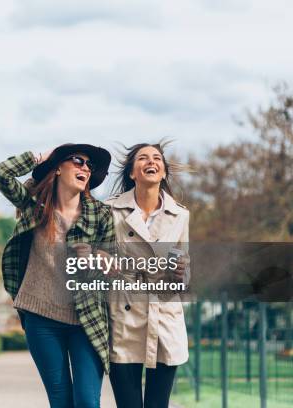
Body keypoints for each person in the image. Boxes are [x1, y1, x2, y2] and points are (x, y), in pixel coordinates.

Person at [0, 144, 114, 408]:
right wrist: (39, 158)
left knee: (87, 401)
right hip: (41, 318)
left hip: (87, 317)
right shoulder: (34, 206)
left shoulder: (101, 214)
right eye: (78, 161)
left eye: (89, 166)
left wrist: (99, 260)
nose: (85, 168)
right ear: (58, 167)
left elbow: (111, 265)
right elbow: (0, 173)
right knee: (60, 401)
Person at [104, 142, 190, 408]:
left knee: (157, 404)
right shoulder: (109, 210)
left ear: (163, 172)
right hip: (124, 317)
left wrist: (181, 271)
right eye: (142, 158)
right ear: (132, 172)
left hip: (164, 317)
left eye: (156, 158)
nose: (151, 161)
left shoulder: (181, 215)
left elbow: (185, 267)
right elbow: (91, 259)